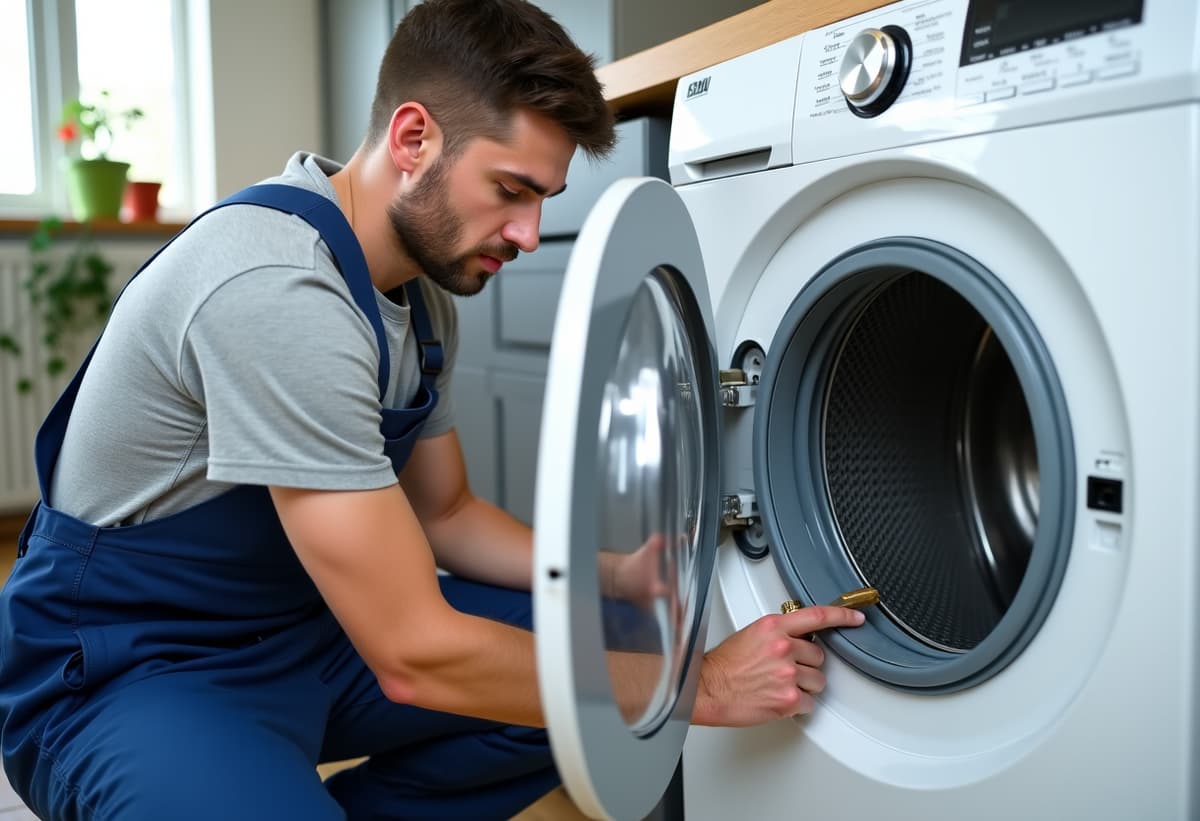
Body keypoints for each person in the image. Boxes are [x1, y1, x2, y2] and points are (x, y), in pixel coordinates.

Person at [0, 1, 866, 818]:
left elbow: (447, 515)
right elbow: (412, 650)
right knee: (621, 676)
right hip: (132, 672)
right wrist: (701, 686)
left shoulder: (419, 300)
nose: (528, 235)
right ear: (414, 137)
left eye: (543, 203)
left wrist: (620, 577)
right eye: (512, 189)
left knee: (621, 642)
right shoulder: (275, 289)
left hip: (304, 634)